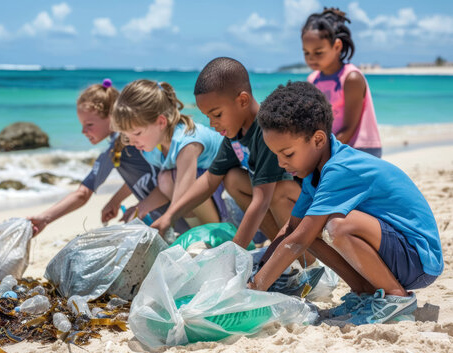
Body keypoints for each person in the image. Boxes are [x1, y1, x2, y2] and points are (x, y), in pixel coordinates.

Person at [250, 81, 443, 325]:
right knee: (310, 231)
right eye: (275, 155)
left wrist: (255, 289)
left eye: (287, 154)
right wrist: (260, 269)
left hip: (418, 260)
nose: (281, 163)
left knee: (337, 226)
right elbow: (292, 231)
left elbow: (296, 243)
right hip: (395, 254)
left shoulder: (340, 168)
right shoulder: (314, 174)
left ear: (318, 140)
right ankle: (366, 293)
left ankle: (396, 298)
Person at [151, 58, 318, 280]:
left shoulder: (267, 131)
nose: (212, 124)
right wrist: (170, 216)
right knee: (232, 178)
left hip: (312, 208)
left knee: (276, 191)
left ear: (242, 100)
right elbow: (210, 179)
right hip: (285, 209)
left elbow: (261, 202)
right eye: (208, 116)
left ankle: (305, 258)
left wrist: (234, 254)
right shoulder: (235, 134)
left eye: (217, 114)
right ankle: (279, 251)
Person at [28, 79, 188, 236]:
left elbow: (82, 194)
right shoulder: (135, 140)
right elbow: (146, 174)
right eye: (82, 125)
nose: (83, 131)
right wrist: (115, 200)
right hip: (176, 214)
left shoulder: (127, 144)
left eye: (89, 124)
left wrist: (45, 218)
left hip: (176, 217)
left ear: (111, 116)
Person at [111, 79, 227, 226]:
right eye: (127, 136)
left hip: (230, 188)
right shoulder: (153, 148)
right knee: (165, 178)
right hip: (211, 187)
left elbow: (184, 192)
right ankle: (199, 230)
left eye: (137, 133)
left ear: (161, 122)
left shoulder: (186, 142)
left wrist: (165, 220)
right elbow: (168, 186)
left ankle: (217, 230)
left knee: (172, 180)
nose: (132, 142)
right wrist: (140, 208)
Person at [302, 7, 382, 157]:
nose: (311, 58)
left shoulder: (351, 78)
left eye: (318, 52)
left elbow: (349, 127)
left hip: (361, 149)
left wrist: (324, 152)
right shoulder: (312, 80)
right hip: (331, 149)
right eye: (306, 52)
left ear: (337, 46)